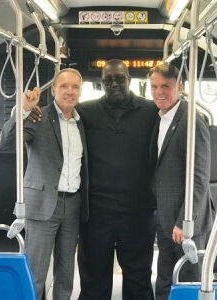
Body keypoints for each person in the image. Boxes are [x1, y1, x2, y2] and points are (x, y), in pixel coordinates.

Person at [0, 68, 88, 300]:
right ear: (54, 90)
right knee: (36, 272)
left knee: (66, 273)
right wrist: (23, 111)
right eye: (64, 86)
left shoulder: (82, 123)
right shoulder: (38, 116)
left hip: (73, 204)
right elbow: (5, 143)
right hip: (43, 203)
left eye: (75, 87)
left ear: (80, 91)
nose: (70, 91)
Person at [76, 59, 158, 300]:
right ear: (102, 83)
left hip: (139, 212)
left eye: (119, 78)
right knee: (93, 277)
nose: (114, 84)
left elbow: (179, 121)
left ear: (129, 79)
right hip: (96, 212)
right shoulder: (85, 112)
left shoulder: (151, 111)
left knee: (138, 276)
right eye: (108, 80)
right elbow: (57, 119)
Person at [148, 63, 213, 300]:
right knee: (165, 279)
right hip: (166, 220)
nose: (159, 92)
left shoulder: (192, 122)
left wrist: (184, 221)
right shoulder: (160, 118)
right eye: (154, 86)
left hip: (185, 224)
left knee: (188, 283)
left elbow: (199, 179)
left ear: (181, 88)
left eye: (166, 86)